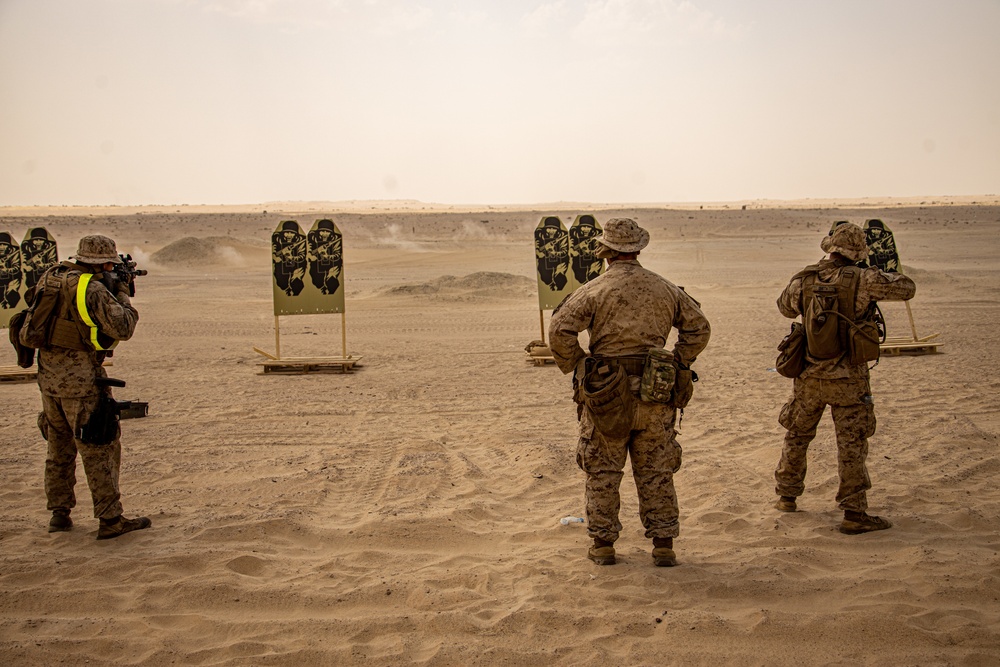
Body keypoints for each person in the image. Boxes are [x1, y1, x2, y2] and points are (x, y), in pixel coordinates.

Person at [548, 218, 711, 566]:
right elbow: (699, 328)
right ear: (638, 249)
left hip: (607, 393)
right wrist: (676, 361)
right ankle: (663, 545)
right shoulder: (665, 288)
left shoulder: (594, 289)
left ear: (606, 252)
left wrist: (580, 366)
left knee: (603, 470)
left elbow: (560, 330)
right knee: (656, 470)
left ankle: (604, 545)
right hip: (656, 392)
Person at [774, 222, 915, 534]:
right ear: (859, 251)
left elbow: (784, 307)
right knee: (851, 443)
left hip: (809, 377)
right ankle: (854, 512)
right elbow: (907, 288)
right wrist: (877, 269)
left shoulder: (806, 277)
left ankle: (787, 495)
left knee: (797, 436)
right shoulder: (864, 278)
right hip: (849, 379)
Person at [24, 235, 150, 539]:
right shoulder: (90, 289)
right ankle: (110, 520)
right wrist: (122, 292)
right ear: (103, 263)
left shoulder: (51, 278)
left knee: (59, 448)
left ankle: (59, 513)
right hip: (80, 381)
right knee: (99, 448)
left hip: (50, 378)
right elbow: (123, 326)